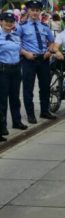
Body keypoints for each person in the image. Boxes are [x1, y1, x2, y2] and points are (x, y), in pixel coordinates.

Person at [17, 0, 56, 124]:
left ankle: (45, 111)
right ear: (28, 11)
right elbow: (16, 44)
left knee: (45, 87)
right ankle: (30, 114)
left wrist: (50, 51)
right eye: (32, 10)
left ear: (40, 11)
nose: (34, 12)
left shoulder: (44, 26)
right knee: (28, 89)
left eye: (37, 10)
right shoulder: (21, 27)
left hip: (44, 59)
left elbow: (51, 42)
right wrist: (25, 53)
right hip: (29, 60)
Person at [0, 12, 28, 140]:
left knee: (15, 98)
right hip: (3, 70)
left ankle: (16, 121)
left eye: (11, 22)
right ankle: (2, 126)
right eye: (6, 21)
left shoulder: (15, 36)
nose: (9, 24)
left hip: (16, 69)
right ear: (1, 22)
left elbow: (19, 50)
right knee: (2, 100)